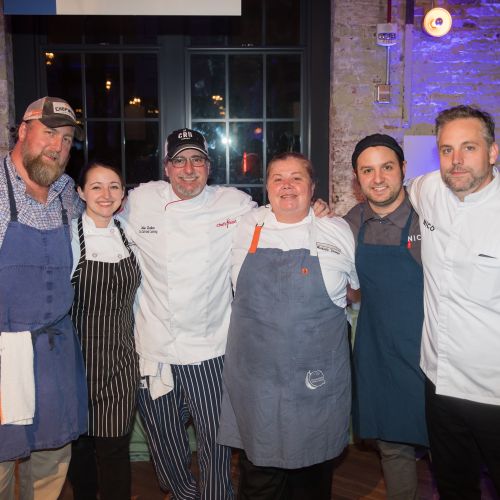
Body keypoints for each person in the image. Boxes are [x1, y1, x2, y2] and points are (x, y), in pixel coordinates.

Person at [119, 128, 257, 499]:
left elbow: (276, 222)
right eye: (179, 160)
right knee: (163, 438)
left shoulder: (234, 204)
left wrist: (317, 212)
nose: (189, 169)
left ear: (209, 167)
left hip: (209, 347)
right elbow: (100, 217)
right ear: (166, 167)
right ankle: (182, 492)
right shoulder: (140, 201)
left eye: (197, 159)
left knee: (216, 438)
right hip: (154, 347)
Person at [217, 152, 359, 500]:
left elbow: (357, 289)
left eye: (297, 177)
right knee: (259, 480)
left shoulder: (337, 230)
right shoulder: (247, 225)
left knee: (310, 482)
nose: (287, 185)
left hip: (314, 383)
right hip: (258, 384)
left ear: (312, 187)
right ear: (266, 188)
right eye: (278, 178)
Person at [408, 105, 500, 498]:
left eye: (469, 148)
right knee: (453, 488)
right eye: (447, 150)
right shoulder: (429, 189)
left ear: (492, 152)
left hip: (493, 391)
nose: (456, 160)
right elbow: (393, 191)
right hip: (439, 380)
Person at [0, 96, 87, 499]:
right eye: (50, 132)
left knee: (52, 459)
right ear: (22, 130)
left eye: (67, 139)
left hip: (54, 350)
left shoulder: (68, 192)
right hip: (4, 352)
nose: (58, 146)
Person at [344, 134, 428, 500]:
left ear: (403, 169)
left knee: (452, 449)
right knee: (393, 447)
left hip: (433, 352)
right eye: (367, 170)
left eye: (387, 167)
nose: (377, 178)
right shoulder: (350, 222)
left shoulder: (430, 216)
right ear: (357, 178)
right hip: (379, 351)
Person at [67, 162, 141, 500]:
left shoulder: (130, 233)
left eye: (114, 186)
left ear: (123, 194)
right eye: (96, 186)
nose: (106, 194)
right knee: (80, 449)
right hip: (76, 361)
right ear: (81, 192)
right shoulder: (68, 236)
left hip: (121, 359)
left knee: (115, 449)